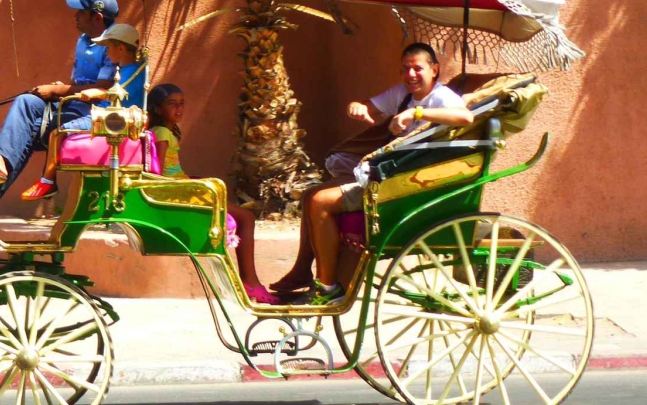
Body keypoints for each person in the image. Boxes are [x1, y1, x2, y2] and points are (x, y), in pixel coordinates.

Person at [271, 43, 474, 303]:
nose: (410, 75)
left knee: (321, 202)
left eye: (417, 68)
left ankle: (329, 287)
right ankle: (302, 272)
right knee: (312, 193)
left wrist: (416, 112)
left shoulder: (441, 97)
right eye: (405, 69)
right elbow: (368, 106)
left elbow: (465, 118)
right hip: (391, 173)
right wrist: (356, 107)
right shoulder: (403, 94)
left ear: (434, 70)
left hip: (409, 181)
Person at [0, 0, 123, 214]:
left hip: (95, 114)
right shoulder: (83, 41)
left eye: (81, 12)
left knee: (25, 133)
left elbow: (103, 88)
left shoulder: (112, 43)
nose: (75, 16)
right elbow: (81, 81)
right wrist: (61, 90)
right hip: (73, 105)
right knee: (26, 101)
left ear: (97, 18)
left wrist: (58, 90)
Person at [148, 84, 277, 305]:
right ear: (158, 109)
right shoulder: (161, 133)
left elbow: (172, 169)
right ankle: (251, 283)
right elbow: (156, 172)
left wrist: (193, 178)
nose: (179, 108)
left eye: (182, 104)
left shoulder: (167, 132)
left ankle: (249, 282)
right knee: (246, 217)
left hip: (183, 186)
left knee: (235, 206)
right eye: (172, 104)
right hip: (179, 193)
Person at [18, 23, 148, 201]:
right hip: (105, 115)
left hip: (112, 120)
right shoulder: (127, 69)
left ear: (122, 48)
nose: (107, 53)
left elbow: (121, 92)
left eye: (108, 47)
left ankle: (48, 181)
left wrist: (97, 93)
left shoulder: (133, 71)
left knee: (57, 133)